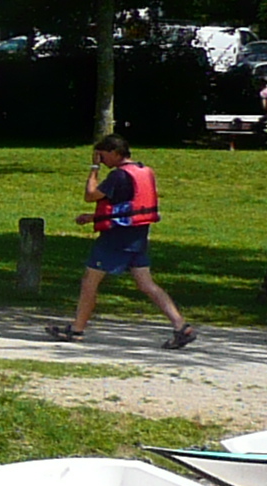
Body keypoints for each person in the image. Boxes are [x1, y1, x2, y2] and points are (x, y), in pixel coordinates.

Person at [51, 133, 196, 349]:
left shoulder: (118, 175)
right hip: (138, 235)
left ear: (115, 153)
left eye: (103, 155)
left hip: (116, 238)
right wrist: (93, 217)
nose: (101, 159)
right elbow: (127, 206)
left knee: (90, 281)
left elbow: (91, 195)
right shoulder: (142, 171)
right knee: (146, 284)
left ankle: (77, 330)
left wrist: (94, 169)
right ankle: (181, 326)